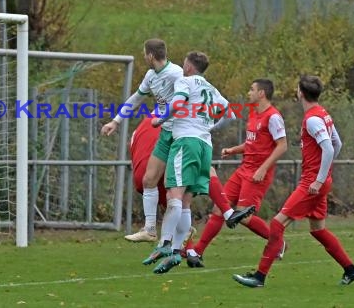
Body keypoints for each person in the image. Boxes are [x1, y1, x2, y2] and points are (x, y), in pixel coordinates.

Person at [233, 75, 354, 288]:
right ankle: (351, 270)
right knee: (318, 229)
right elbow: (337, 143)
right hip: (318, 181)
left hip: (312, 183)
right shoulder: (323, 114)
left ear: (300, 93)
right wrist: (326, 171)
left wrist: (319, 179)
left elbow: (329, 148)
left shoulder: (312, 119)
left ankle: (259, 277)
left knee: (276, 223)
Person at [142, 51, 252, 274]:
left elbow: (178, 103)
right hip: (205, 146)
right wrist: (208, 126)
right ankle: (175, 251)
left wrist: (160, 120)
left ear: (190, 67)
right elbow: (229, 114)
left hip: (186, 143)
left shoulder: (185, 81)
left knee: (174, 195)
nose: (183, 67)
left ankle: (165, 245)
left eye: (184, 64)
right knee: (185, 203)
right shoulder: (211, 88)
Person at [186, 79, 288, 267]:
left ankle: (278, 243)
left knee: (243, 216)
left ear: (262, 94)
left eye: (252, 89)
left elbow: (282, 146)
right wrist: (233, 150)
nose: (248, 93)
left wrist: (263, 168)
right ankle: (198, 251)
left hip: (257, 173)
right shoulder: (253, 114)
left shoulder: (273, 117)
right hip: (244, 169)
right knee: (220, 208)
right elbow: (253, 144)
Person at [102, 39, 182, 242]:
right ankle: (150, 229)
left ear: (151, 56)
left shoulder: (176, 74)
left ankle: (181, 231)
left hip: (181, 135)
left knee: (176, 188)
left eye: (144, 54)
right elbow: (136, 99)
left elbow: (189, 99)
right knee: (149, 180)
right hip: (165, 133)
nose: (144, 57)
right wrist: (116, 121)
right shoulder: (151, 75)